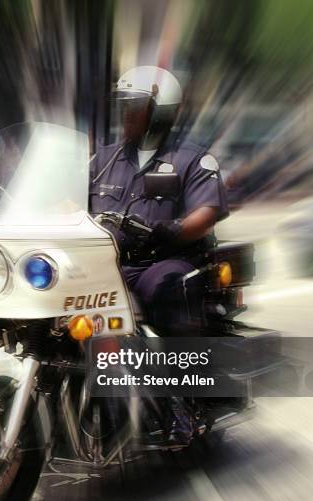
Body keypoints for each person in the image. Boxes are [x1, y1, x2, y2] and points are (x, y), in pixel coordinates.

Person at [89, 66, 230, 443]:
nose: (124, 113)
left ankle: (178, 403)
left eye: (132, 105)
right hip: (109, 261)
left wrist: (172, 229)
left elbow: (206, 213)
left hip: (165, 259)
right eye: (121, 105)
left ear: (160, 112)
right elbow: (68, 198)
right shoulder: (103, 159)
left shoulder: (191, 160)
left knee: (163, 289)